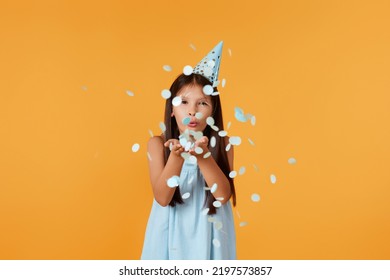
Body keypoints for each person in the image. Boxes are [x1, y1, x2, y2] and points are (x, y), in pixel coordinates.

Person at [141, 41, 236, 260]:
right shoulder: (157, 145)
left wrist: (204, 157)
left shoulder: (223, 144)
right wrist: (177, 157)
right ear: (172, 109)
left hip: (211, 235)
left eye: (202, 103)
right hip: (169, 236)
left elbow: (222, 196)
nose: (192, 111)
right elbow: (162, 198)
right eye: (183, 101)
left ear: (213, 110)